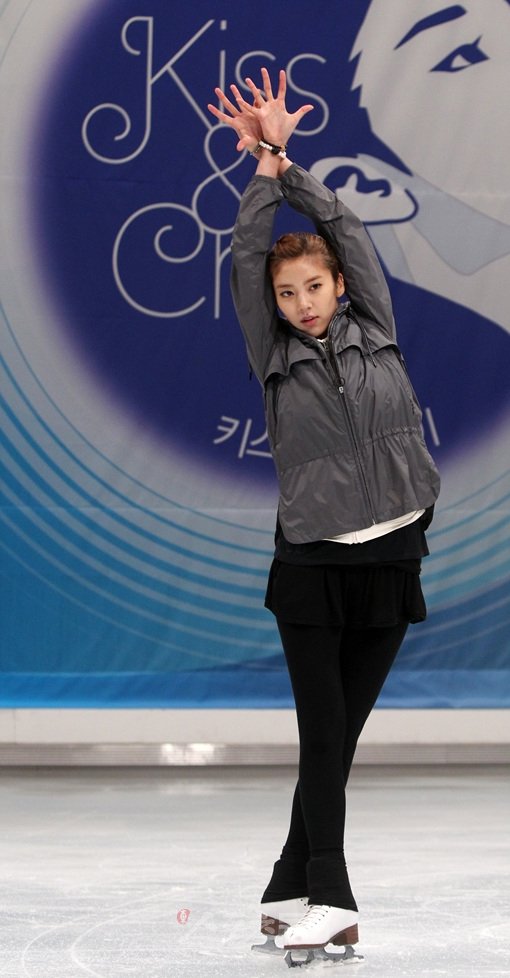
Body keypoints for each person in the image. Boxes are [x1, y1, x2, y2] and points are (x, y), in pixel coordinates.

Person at [207, 68, 440, 957]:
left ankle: (286, 882)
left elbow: (344, 225)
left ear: (340, 285)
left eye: (313, 286)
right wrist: (262, 175)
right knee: (323, 733)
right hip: (313, 564)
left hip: (393, 555)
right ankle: (333, 895)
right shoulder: (272, 356)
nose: (301, 303)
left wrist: (290, 160)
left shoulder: (376, 326)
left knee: (339, 738)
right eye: (287, 293)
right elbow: (245, 256)